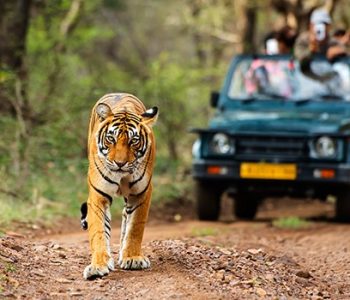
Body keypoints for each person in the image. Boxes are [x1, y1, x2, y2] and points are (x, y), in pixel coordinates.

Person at [294, 8, 347, 79]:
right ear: (311, 25)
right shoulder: (303, 40)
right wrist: (310, 50)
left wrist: (341, 50)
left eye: (324, 24)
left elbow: (346, 54)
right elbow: (298, 58)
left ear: (329, 26)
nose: (322, 27)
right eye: (318, 23)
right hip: (306, 80)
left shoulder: (333, 42)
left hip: (327, 81)